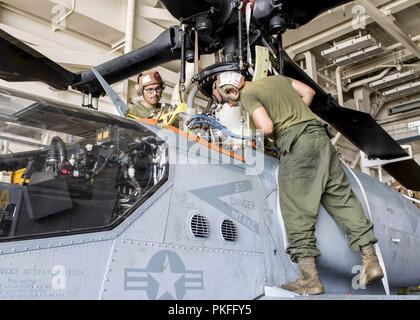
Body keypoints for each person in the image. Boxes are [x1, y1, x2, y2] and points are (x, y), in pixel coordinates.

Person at [213, 71, 384, 295]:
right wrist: (297, 116)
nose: (231, 101)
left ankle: (309, 278)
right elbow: (308, 92)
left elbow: (267, 127)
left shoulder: (249, 95)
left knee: (294, 208)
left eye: (228, 98)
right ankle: (370, 261)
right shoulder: (275, 80)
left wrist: (245, 137)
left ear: (231, 90)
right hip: (321, 139)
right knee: (342, 199)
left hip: (297, 145)